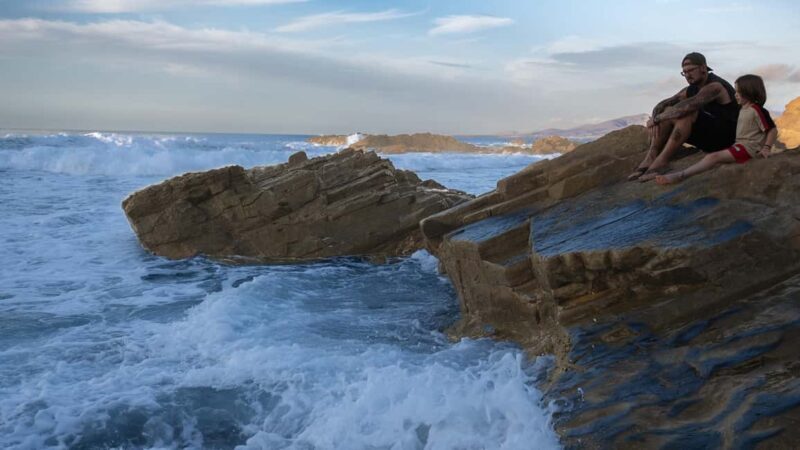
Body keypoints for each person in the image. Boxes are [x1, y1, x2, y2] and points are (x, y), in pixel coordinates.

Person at [628, 52, 740, 182]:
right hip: (709, 137)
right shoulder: (692, 88)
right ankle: (651, 158)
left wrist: (657, 119)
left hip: (726, 138)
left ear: (703, 68)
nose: (687, 75)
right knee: (667, 110)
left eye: (691, 70)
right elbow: (663, 104)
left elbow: (687, 107)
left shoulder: (715, 86)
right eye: (684, 72)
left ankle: (662, 161)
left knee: (686, 112)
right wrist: (655, 118)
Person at [654, 75, 777, 184]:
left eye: (739, 92)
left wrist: (766, 148)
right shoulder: (743, 109)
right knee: (715, 159)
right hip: (739, 146)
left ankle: (680, 175)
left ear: (749, 92)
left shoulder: (757, 110)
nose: (735, 95)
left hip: (749, 149)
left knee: (713, 158)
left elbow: (771, 129)